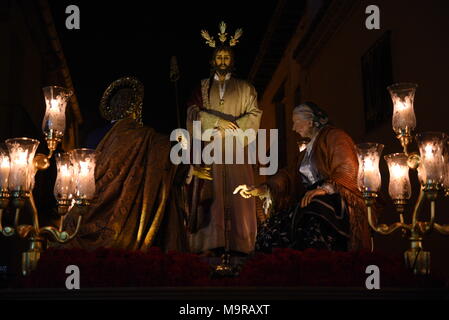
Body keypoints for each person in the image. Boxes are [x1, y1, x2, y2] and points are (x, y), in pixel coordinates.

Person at [63, 77, 209, 252]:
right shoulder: (106, 136)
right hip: (95, 207)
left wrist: (185, 165)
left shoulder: (144, 138)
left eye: (125, 100)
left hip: (109, 212)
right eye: (118, 100)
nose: (121, 103)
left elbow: (163, 157)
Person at [234, 102, 371, 252]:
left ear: (311, 121)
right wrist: (262, 188)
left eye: (296, 122)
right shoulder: (306, 151)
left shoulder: (335, 136)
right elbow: (289, 175)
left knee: (312, 213)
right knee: (272, 228)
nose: (293, 128)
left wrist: (324, 189)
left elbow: (346, 167)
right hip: (309, 198)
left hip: (333, 197)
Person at [186, 22, 262, 256]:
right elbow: (191, 112)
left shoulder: (246, 88)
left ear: (232, 60)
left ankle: (240, 243)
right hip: (210, 149)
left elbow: (255, 114)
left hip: (236, 150)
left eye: (226, 57)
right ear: (212, 60)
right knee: (213, 195)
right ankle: (211, 242)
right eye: (218, 57)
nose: (222, 61)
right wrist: (216, 122)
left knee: (238, 195)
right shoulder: (202, 87)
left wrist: (236, 126)